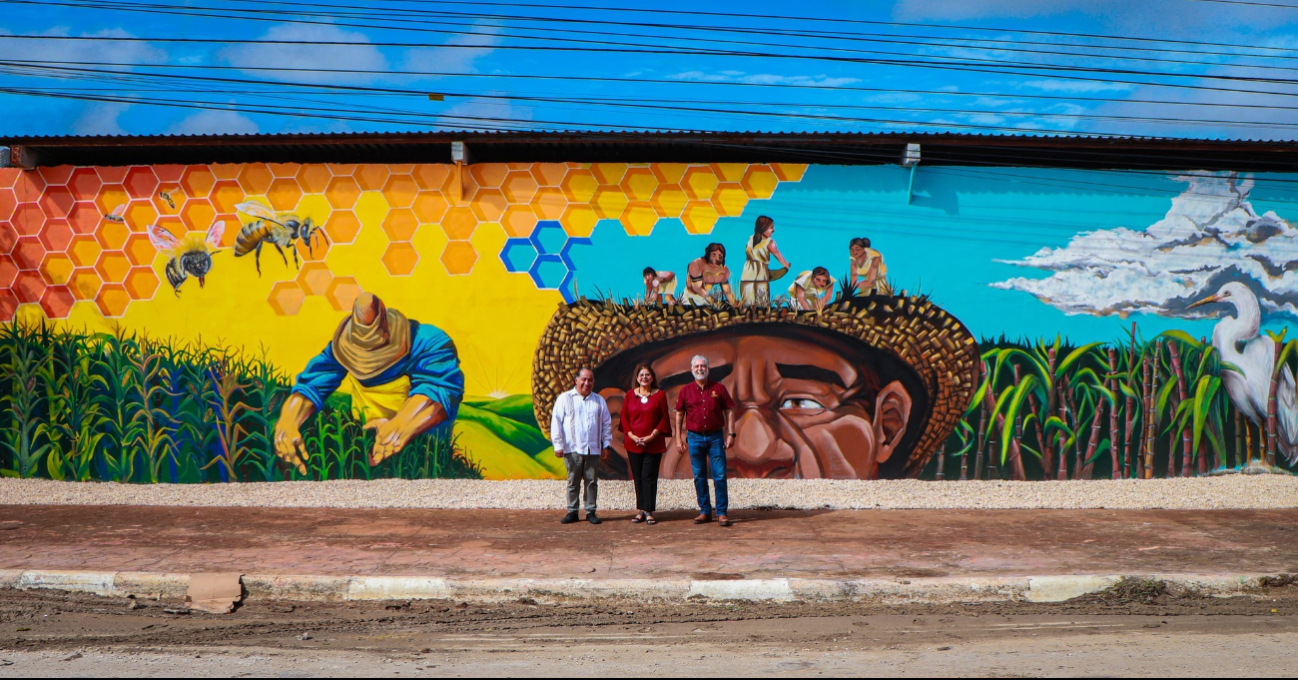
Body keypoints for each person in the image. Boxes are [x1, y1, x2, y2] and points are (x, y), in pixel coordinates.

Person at [274, 293, 464, 474]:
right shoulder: (342, 347)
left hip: (423, 458)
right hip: (364, 448)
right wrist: (288, 421)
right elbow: (313, 382)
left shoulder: (429, 341)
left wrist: (400, 425)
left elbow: (439, 389)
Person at [673, 355, 737, 527]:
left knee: (720, 475)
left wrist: (731, 434)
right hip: (694, 438)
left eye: (703, 366)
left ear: (708, 369)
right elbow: (679, 414)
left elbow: (729, 410)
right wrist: (678, 437)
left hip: (716, 437)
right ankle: (705, 511)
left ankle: (722, 513)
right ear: (692, 369)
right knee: (699, 476)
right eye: (697, 366)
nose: (700, 369)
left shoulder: (719, 388)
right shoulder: (685, 391)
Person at [550, 367, 613, 525]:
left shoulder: (599, 400)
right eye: (583, 379)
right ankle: (572, 511)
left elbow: (606, 424)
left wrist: (606, 445)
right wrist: (558, 445)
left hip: (592, 448)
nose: (586, 383)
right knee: (573, 481)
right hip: (572, 448)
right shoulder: (565, 399)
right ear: (576, 380)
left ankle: (590, 511)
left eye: (590, 380)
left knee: (591, 481)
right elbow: (556, 422)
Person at [618, 364, 671, 525]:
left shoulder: (660, 395)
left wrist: (652, 436)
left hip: (653, 443)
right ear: (637, 378)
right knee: (638, 477)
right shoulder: (629, 395)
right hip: (633, 443)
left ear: (652, 377)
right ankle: (641, 510)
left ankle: (649, 511)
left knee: (649, 476)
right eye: (641, 375)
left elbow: (663, 418)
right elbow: (624, 417)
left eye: (647, 374)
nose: (644, 377)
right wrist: (632, 436)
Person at [739, 215, 791, 307]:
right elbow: (777, 255)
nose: (773, 230)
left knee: (760, 301)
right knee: (751, 301)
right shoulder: (765, 241)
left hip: (753, 272)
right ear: (763, 228)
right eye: (771, 227)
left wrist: (786, 265)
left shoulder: (753, 239)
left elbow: (777, 254)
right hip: (754, 273)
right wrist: (786, 265)